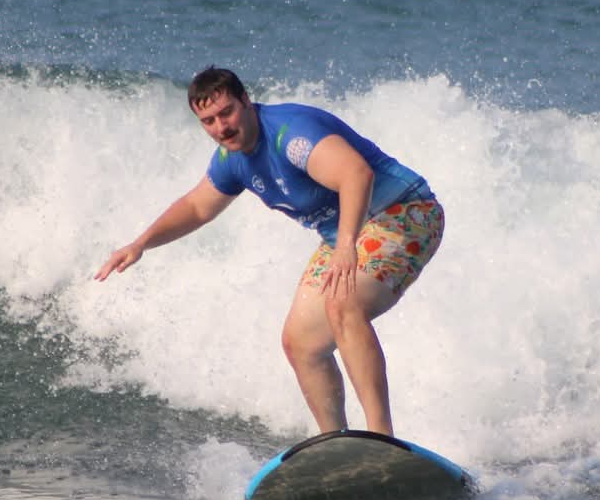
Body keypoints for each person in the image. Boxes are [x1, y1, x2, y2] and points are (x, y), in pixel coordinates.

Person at [94, 67, 444, 437]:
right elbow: (197, 207)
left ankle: (381, 437)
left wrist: (346, 246)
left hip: (404, 212)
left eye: (226, 112)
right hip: (345, 237)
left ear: (246, 101)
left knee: (343, 303)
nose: (221, 127)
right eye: (208, 121)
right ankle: (336, 445)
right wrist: (141, 243)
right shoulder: (232, 160)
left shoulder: (290, 135)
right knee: (301, 343)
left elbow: (356, 174)